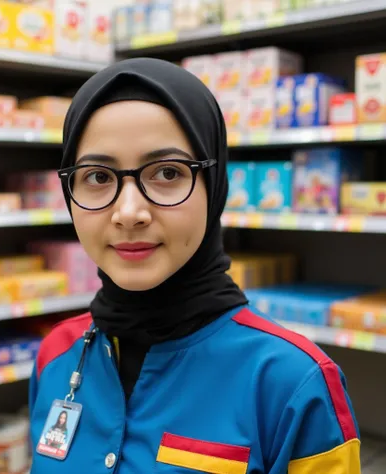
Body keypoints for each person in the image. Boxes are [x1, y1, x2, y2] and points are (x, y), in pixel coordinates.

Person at [29, 58, 361, 474]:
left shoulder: (292, 383)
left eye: (167, 172)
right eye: (97, 177)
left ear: (214, 185)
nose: (128, 212)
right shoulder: (55, 355)